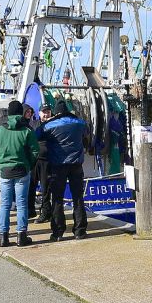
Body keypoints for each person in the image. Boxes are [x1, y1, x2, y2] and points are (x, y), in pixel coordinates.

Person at [0, 100, 40, 247]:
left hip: (5, 171)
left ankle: (3, 237)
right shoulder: (27, 131)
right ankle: (21, 236)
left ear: (8, 113)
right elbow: (35, 151)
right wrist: (29, 164)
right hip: (22, 170)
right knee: (22, 204)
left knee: (5, 204)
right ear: (20, 113)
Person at [37, 100, 88, 241]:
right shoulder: (79, 123)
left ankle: (58, 232)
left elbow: (37, 135)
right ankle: (80, 231)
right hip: (76, 164)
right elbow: (87, 133)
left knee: (57, 199)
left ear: (56, 112)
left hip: (58, 165)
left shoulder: (50, 125)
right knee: (78, 197)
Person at [28, 104, 54, 223]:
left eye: (48, 111)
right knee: (31, 185)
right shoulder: (33, 124)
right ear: (39, 113)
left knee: (45, 188)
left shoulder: (54, 125)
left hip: (47, 161)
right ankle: (30, 210)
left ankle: (45, 212)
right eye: (43, 112)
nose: (46, 114)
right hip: (34, 160)